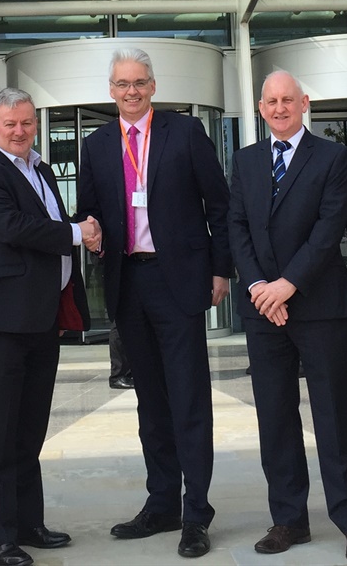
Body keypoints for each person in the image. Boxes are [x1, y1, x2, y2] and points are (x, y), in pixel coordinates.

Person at [76, 48, 232, 559]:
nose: (131, 91)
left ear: (153, 86)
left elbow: (220, 205)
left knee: (188, 398)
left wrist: (219, 269)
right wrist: (92, 233)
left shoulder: (184, 134)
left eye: (140, 82)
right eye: (122, 83)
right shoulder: (96, 144)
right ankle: (162, 502)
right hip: (129, 283)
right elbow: (90, 211)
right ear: (111, 89)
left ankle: (196, 514)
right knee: (151, 403)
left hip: (179, 282)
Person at [228, 70, 347, 563]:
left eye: (287, 99)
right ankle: (289, 520)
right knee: (275, 420)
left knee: (335, 417)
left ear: (304, 103)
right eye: (270, 101)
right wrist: (257, 288)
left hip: (317, 307)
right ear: (261, 106)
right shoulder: (246, 161)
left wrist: (286, 285)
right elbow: (237, 228)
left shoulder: (334, 157)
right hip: (262, 311)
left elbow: (329, 226)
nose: (278, 108)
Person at [0, 87, 102, 566]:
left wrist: (82, 227)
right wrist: (75, 233)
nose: (19, 131)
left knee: (28, 430)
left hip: (41, 320)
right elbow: (15, 228)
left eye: (26, 123)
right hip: (1, 322)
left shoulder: (41, 169)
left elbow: (51, 221)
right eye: (10, 125)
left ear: (35, 124)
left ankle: (28, 523)